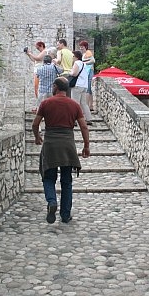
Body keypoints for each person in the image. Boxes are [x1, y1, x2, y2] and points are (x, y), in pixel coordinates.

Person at [32, 77, 90, 224]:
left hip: (50, 143)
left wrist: (38, 137)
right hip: (68, 145)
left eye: (53, 86)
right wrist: (86, 145)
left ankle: (52, 202)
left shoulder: (46, 103)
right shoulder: (74, 105)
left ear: (56, 87)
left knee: (48, 177)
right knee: (66, 181)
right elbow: (84, 126)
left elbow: (35, 124)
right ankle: (65, 215)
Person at [70, 50, 93, 125]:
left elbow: (74, 73)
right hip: (84, 85)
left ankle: (74, 120)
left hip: (78, 85)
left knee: (75, 103)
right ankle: (89, 118)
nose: (72, 58)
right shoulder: (84, 64)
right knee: (84, 103)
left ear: (76, 57)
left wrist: (69, 72)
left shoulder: (77, 63)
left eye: (73, 56)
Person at [25, 41, 48, 108]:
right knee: (36, 87)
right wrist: (28, 54)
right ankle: (38, 101)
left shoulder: (45, 51)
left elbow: (38, 58)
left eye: (38, 48)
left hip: (39, 71)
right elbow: (34, 60)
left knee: (37, 86)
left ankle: (40, 102)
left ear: (41, 46)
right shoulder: (41, 52)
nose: (38, 49)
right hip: (37, 70)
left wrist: (30, 53)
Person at [79, 40, 96, 112]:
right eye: (80, 47)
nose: (81, 48)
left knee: (88, 88)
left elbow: (93, 61)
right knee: (89, 89)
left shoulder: (88, 52)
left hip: (89, 71)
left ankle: (87, 105)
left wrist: (84, 63)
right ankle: (90, 105)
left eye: (82, 47)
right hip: (88, 71)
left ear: (85, 47)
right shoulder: (85, 54)